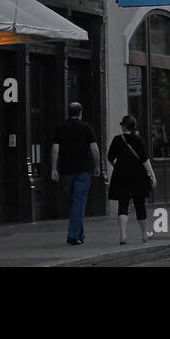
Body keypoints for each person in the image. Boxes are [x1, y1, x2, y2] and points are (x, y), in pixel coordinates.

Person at [50, 101, 100, 246]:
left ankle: (80, 234)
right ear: (80, 113)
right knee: (79, 203)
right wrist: (97, 166)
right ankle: (73, 236)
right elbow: (95, 149)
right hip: (84, 170)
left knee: (74, 203)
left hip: (66, 171)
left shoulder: (60, 128)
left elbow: (55, 150)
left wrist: (54, 168)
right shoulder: (86, 128)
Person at [107, 115, 154, 245]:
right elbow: (145, 160)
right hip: (138, 177)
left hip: (121, 176)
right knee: (140, 205)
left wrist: (116, 166)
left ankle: (123, 236)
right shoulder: (139, 140)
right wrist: (152, 175)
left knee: (123, 205)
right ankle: (144, 234)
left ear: (123, 126)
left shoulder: (117, 140)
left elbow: (110, 157)